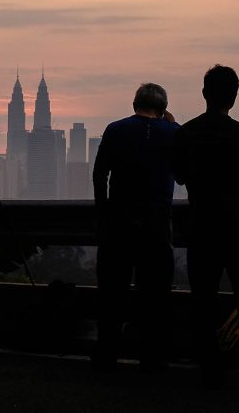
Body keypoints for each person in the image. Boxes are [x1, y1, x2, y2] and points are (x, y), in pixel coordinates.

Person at [172, 65, 239, 388]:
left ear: (204, 93)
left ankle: (209, 368)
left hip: (203, 227)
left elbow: (180, 177)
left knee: (203, 300)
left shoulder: (186, 134)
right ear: (234, 96)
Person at [92, 83, 179, 370]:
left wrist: (102, 209)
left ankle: (107, 352)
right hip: (157, 223)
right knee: (154, 292)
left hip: (118, 221)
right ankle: (153, 356)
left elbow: (100, 172)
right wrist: (173, 125)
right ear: (163, 108)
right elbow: (181, 176)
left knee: (112, 290)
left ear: (134, 104)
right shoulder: (173, 133)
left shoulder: (115, 130)